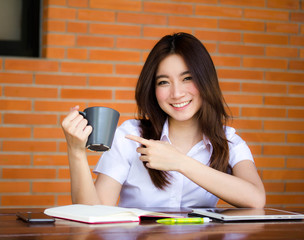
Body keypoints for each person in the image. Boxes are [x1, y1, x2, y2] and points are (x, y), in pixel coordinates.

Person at [61, 32, 266, 208]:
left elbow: (256, 199)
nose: (176, 93)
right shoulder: (131, 135)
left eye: (187, 78)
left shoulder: (227, 140)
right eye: (164, 82)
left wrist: (180, 162)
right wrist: (76, 152)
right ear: (153, 89)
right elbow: (92, 214)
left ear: (206, 80)